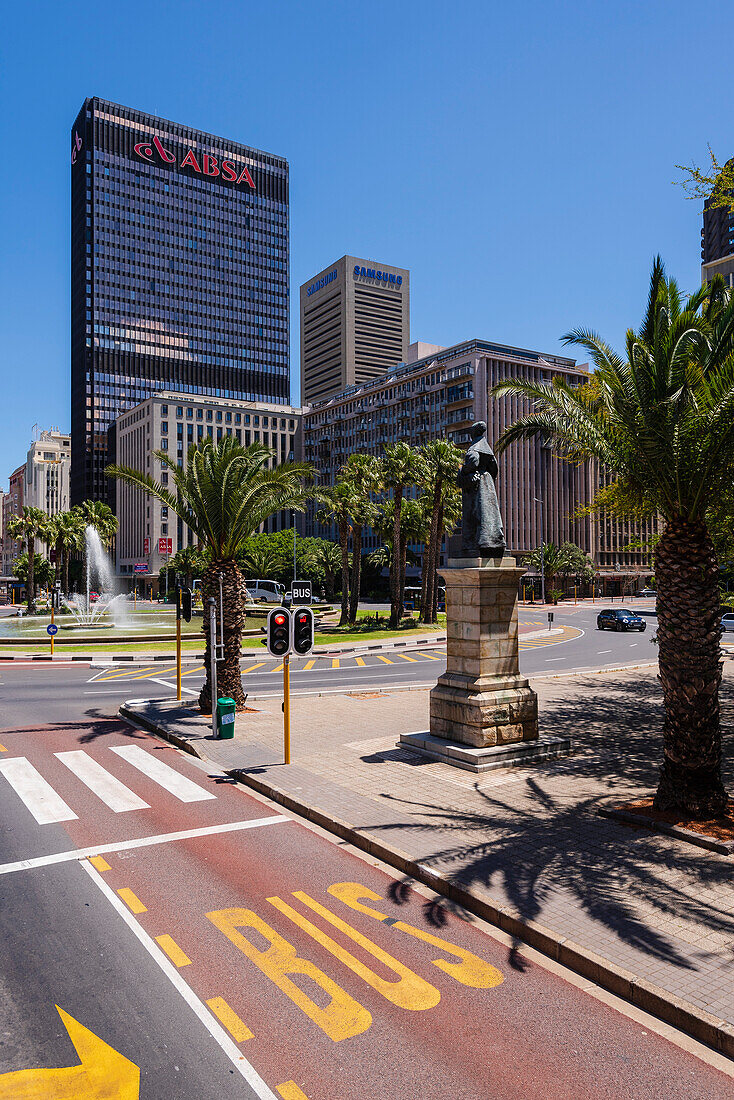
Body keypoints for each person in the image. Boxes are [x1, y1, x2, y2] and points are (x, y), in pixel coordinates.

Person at [457, 421, 506, 557]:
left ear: (474, 433)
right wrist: (489, 478)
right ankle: (494, 541)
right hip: (488, 482)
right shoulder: (487, 448)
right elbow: (494, 468)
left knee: (476, 514)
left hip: (477, 485)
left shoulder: (474, 448)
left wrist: (462, 470)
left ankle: (477, 543)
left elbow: (473, 463)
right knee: (489, 514)